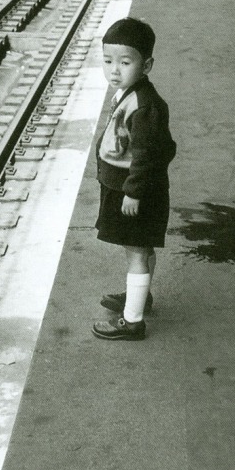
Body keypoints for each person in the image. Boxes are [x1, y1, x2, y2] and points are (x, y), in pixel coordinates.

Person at [92, 18, 176, 341]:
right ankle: (140, 297)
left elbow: (150, 153)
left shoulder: (143, 106)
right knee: (140, 248)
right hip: (126, 188)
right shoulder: (130, 94)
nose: (114, 70)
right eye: (107, 60)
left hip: (134, 192)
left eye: (125, 62)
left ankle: (132, 322)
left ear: (146, 65)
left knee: (136, 253)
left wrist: (134, 192)